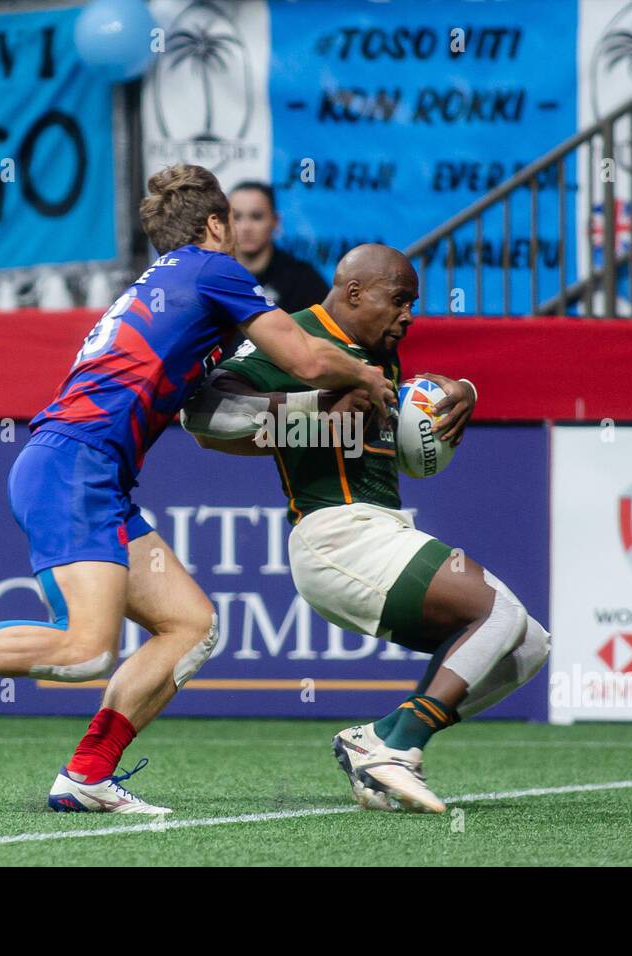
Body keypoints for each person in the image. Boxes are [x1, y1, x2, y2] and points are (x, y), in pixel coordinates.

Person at [0, 164, 393, 814]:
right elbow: (305, 357)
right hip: (76, 466)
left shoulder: (167, 286)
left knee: (190, 626)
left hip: (84, 471)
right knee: (83, 650)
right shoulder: (210, 269)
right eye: (232, 222)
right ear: (215, 224)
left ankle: (87, 774)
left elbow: (209, 420)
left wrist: (300, 415)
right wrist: (366, 378)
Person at [181, 243, 550, 813]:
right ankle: (397, 747)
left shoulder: (378, 351)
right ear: (354, 292)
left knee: (525, 645)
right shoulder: (295, 335)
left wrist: (461, 395)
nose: (409, 315)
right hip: (335, 532)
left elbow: (392, 446)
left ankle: (379, 738)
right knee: (498, 612)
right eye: (399, 300)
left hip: (377, 527)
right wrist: (310, 408)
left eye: (414, 304)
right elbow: (202, 416)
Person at [229, 181, 329, 313]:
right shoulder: (212, 277)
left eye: (257, 216)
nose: (246, 227)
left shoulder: (303, 281)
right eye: (236, 217)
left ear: (275, 221)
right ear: (225, 222)